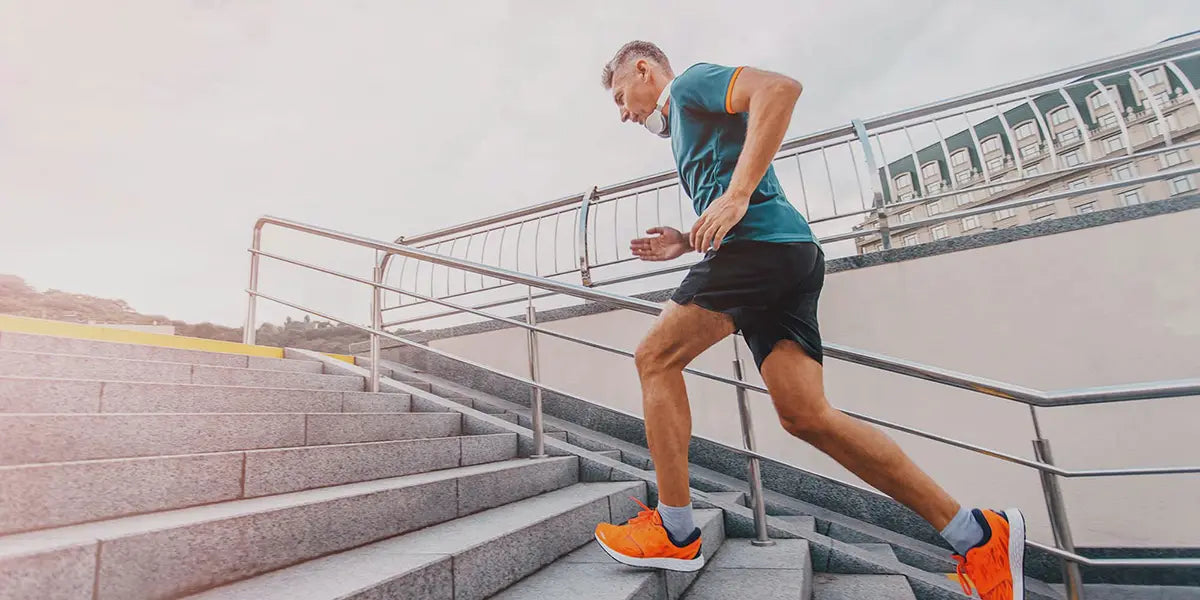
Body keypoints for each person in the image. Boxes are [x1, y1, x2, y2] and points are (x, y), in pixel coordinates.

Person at [590, 40, 1026, 600]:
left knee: (655, 357)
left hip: (760, 249)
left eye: (623, 98)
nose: (625, 113)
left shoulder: (692, 84)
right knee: (807, 416)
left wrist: (739, 195)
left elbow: (779, 89)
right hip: (787, 254)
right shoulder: (684, 126)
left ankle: (675, 530)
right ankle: (978, 534)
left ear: (645, 71)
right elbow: (726, 189)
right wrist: (687, 237)